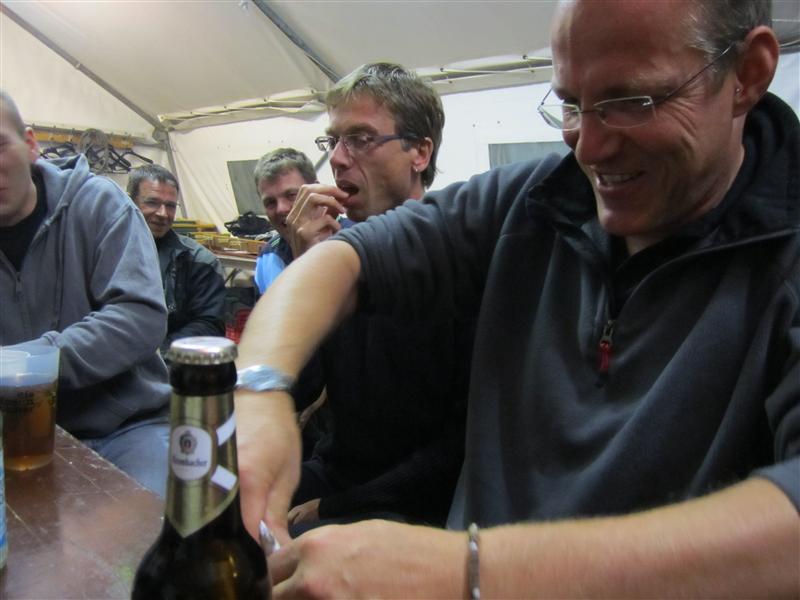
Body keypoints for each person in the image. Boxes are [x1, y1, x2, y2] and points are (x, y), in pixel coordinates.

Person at [234, 0, 800, 597]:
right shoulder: (531, 201)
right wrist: (259, 390)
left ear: (748, 74)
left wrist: (468, 571)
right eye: (572, 104)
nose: (588, 147)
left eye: (632, 101)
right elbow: (342, 261)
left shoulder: (783, 262)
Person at [246, 62, 471, 536]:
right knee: (217, 499)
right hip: (340, 470)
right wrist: (307, 268)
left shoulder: (461, 261)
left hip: (417, 500)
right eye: (333, 141)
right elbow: (301, 390)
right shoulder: (338, 255)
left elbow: (458, 449)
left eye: (361, 139)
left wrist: (336, 506)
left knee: (287, 546)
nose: (338, 160)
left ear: (420, 152)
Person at [0, 91, 171, 497]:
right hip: (14, 430)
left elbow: (140, 316)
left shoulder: (99, 205)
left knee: (155, 523)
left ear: (30, 144)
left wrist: (26, 365)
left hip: (126, 427)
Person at [127, 164, 226, 356]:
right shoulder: (104, 252)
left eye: (171, 206)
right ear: (130, 201)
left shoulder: (199, 261)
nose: (163, 214)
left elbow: (209, 325)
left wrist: (158, 355)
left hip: (171, 366)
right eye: (152, 202)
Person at [251, 148, 318, 294]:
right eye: (270, 202)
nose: (281, 209)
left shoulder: (355, 241)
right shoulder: (267, 256)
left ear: (316, 190)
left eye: (291, 195)